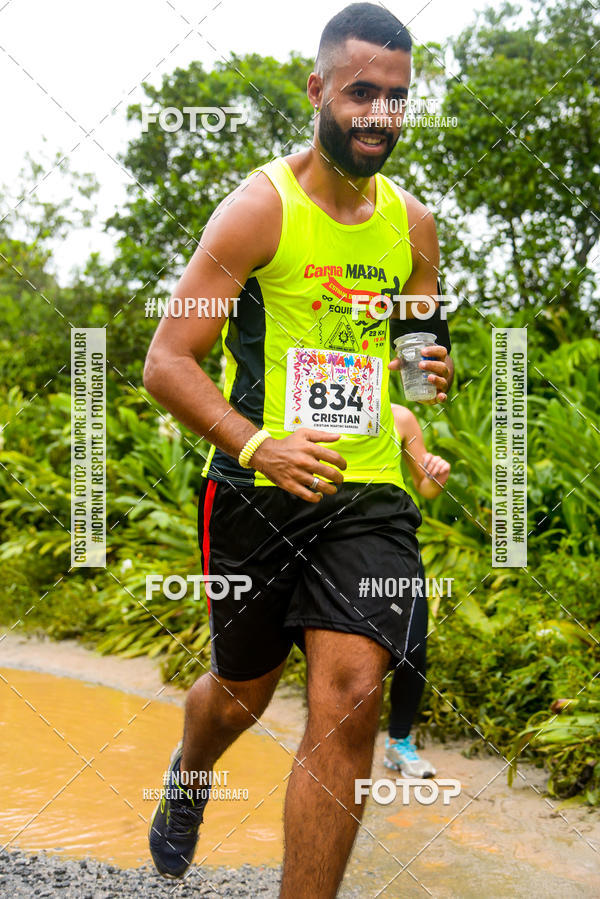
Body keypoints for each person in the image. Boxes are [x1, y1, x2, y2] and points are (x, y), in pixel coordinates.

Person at [143, 4, 453, 896]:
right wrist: (260, 445)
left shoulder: (413, 226)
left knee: (352, 695)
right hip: (257, 488)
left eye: (397, 98)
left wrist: (427, 366)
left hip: (367, 492)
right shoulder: (256, 211)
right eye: (361, 92)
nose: (379, 115)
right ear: (316, 89)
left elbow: (416, 352)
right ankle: (191, 769)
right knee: (240, 695)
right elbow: (168, 361)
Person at [383, 404, 450, 777]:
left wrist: (436, 477)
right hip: (327, 540)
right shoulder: (309, 406)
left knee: (412, 648)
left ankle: (399, 742)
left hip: (393, 541)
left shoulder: (401, 418)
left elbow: (424, 485)